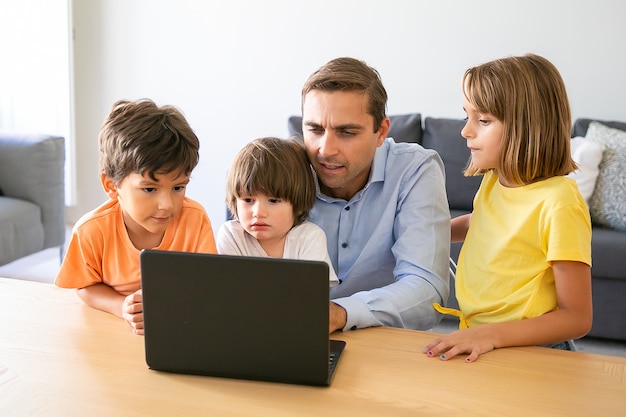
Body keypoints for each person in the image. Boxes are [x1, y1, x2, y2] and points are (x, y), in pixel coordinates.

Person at [424, 54, 593, 362]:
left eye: (483, 120)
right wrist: (427, 234)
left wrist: (489, 335)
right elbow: (482, 222)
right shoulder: (493, 181)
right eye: (467, 117)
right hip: (483, 339)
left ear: (528, 126)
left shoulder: (560, 202)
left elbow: (577, 317)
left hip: (534, 351)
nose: (466, 131)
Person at [300, 57, 451, 333]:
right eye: (315, 129)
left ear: (380, 132)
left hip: (385, 344)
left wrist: (340, 314)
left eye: (346, 132)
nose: (326, 149)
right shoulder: (284, 170)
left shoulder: (415, 169)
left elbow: (427, 289)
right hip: (297, 337)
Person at [55, 99, 217, 335]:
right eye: (150, 189)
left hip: (178, 329)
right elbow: (85, 285)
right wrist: (121, 306)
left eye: (178, 188)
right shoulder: (91, 230)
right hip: (112, 333)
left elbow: (209, 282)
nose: (167, 204)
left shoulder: (195, 219)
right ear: (111, 185)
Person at [217, 137, 339, 286]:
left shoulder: (309, 238)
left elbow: (312, 297)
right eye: (248, 200)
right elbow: (228, 292)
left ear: (298, 205)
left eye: (273, 201)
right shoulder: (232, 235)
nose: (258, 213)